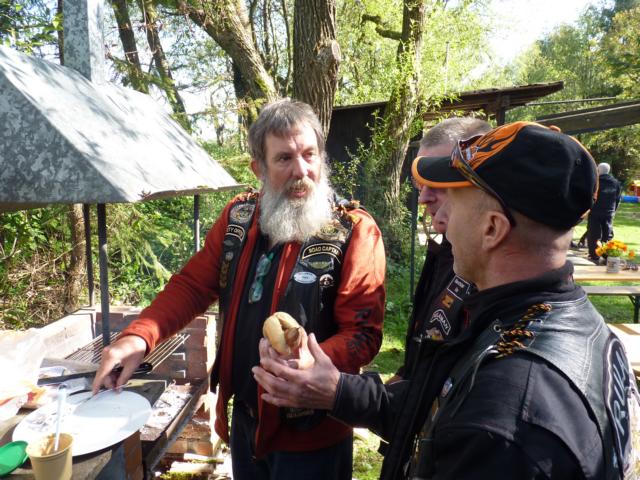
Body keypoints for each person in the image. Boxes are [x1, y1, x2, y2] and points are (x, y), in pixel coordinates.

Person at [254, 121, 638, 479]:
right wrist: (337, 390)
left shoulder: (503, 421)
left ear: (492, 228)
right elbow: (435, 407)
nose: (441, 215)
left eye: (454, 198)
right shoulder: (558, 322)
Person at [92, 99, 387, 480]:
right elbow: (192, 286)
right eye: (284, 159)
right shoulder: (238, 216)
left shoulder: (355, 230)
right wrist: (137, 337)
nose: (301, 171)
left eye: (309, 154)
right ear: (258, 169)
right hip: (247, 424)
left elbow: (363, 336)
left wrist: (312, 363)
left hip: (314, 438)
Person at [392, 117, 491, 383]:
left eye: (440, 181)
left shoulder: (491, 267)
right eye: (420, 182)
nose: (423, 197)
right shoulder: (447, 250)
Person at [587, 162, 622, 263]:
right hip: (609, 211)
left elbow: (590, 196)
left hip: (595, 211)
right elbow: (618, 198)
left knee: (594, 233)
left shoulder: (595, 181)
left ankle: (594, 255)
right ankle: (607, 255)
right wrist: (614, 210)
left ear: (598, 170)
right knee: (607, 233)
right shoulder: (616, 182)